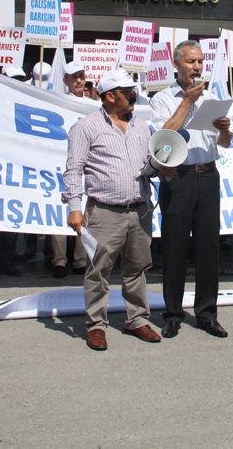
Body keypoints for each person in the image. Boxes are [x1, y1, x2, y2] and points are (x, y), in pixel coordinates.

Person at [63, 70, 161, 350]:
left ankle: (137, 319)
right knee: (98, 270)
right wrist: (74, 207)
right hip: (104, 212)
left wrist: (159, 168)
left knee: (137, 268)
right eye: (128, 90)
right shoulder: (86, 127)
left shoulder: (142, 126)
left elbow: (147, 164)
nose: (134, 94)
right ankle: (96, 325)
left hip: (140, 210)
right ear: (110, 96)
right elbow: (74, 170)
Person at [150, 39, 233, 339]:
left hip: (208, 175)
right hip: (179, 178)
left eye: (200, 62)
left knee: (209, 247)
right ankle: (173, 313)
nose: (197, 67)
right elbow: (163, 137)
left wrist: (224, 129)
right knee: (174, 248)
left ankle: (207, 314)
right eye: (190, 62)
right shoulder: (161, 99)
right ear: (176, 64)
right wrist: (186, 101)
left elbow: (223, 143)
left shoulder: (211, 97)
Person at [50, 60, 89, 278]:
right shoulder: (58, 103)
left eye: (81, 76)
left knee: (83, 212)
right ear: (65, 80)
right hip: (60, 163)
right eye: (74, 77)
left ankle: (80, 260)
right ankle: (59, 260)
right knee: (59, 213)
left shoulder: (94, 105)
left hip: (86, 167)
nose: (78, 80)